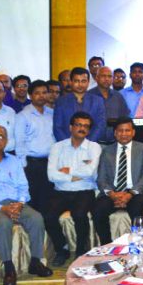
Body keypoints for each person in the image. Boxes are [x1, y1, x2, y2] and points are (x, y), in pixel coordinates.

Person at [0, 126, 52, 285]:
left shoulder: (14, 161)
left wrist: (20, 204)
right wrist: (2, 209)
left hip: (16, 204)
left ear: (7, 141)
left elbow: (23, 187)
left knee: (36, 218)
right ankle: (9, 268)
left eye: (1, 137)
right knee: (3, 222)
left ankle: (35, 262)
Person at [46, 112, 100, 265]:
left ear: (89, 130)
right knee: (48, 216)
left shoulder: (94, 147)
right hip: (61, 190)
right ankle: (61, 249)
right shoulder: (57, 147)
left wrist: (67, 170)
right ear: (71, 127)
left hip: (84, 190)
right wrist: (74, 175)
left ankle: (80, 250)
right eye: (78, 125)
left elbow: (90, 172)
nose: (82, 128)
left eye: (86, 126)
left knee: (79, 214)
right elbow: (51, 175)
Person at [92, 117, 143, 245]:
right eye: (120, 131)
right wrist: (112, 194)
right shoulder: (106, 150)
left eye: (127, 130)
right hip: (112, 193)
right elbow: (101, 178)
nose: (124, 134)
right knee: (98, 209)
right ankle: (106, 245)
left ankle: (137, 244)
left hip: (136, 193)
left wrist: (130, 194)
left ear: (133, 132)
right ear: (115, 133)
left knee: (137, 206)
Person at [14, 80, 56, 212]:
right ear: (30, 95)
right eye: (37, 93)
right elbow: (19, 142)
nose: (41, 96)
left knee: (49, 201)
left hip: (50, 162)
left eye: (44, 92)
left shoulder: (52, 113)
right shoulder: (22, 116)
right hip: (32, 165)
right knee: (34, 202)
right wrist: (23, 167)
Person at [53, 67, 107, 142]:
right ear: (71, 82)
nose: (80, 84)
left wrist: (87, 144)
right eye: (76, 81)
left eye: (83, 81)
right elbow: (57, 127)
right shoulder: (61, 102)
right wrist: (69, 144)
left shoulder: (98, 101)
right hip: (66, 147)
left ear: (88, 82)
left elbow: (100, 126)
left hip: (90, 146)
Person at [88, 66, 131, 144]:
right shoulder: (89, 96)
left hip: (115, 142)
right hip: (93, 142)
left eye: (109, 76)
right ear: (97, 78)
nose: (106, 79)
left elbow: (125, 117)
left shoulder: (118, 96)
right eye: (103, 76)